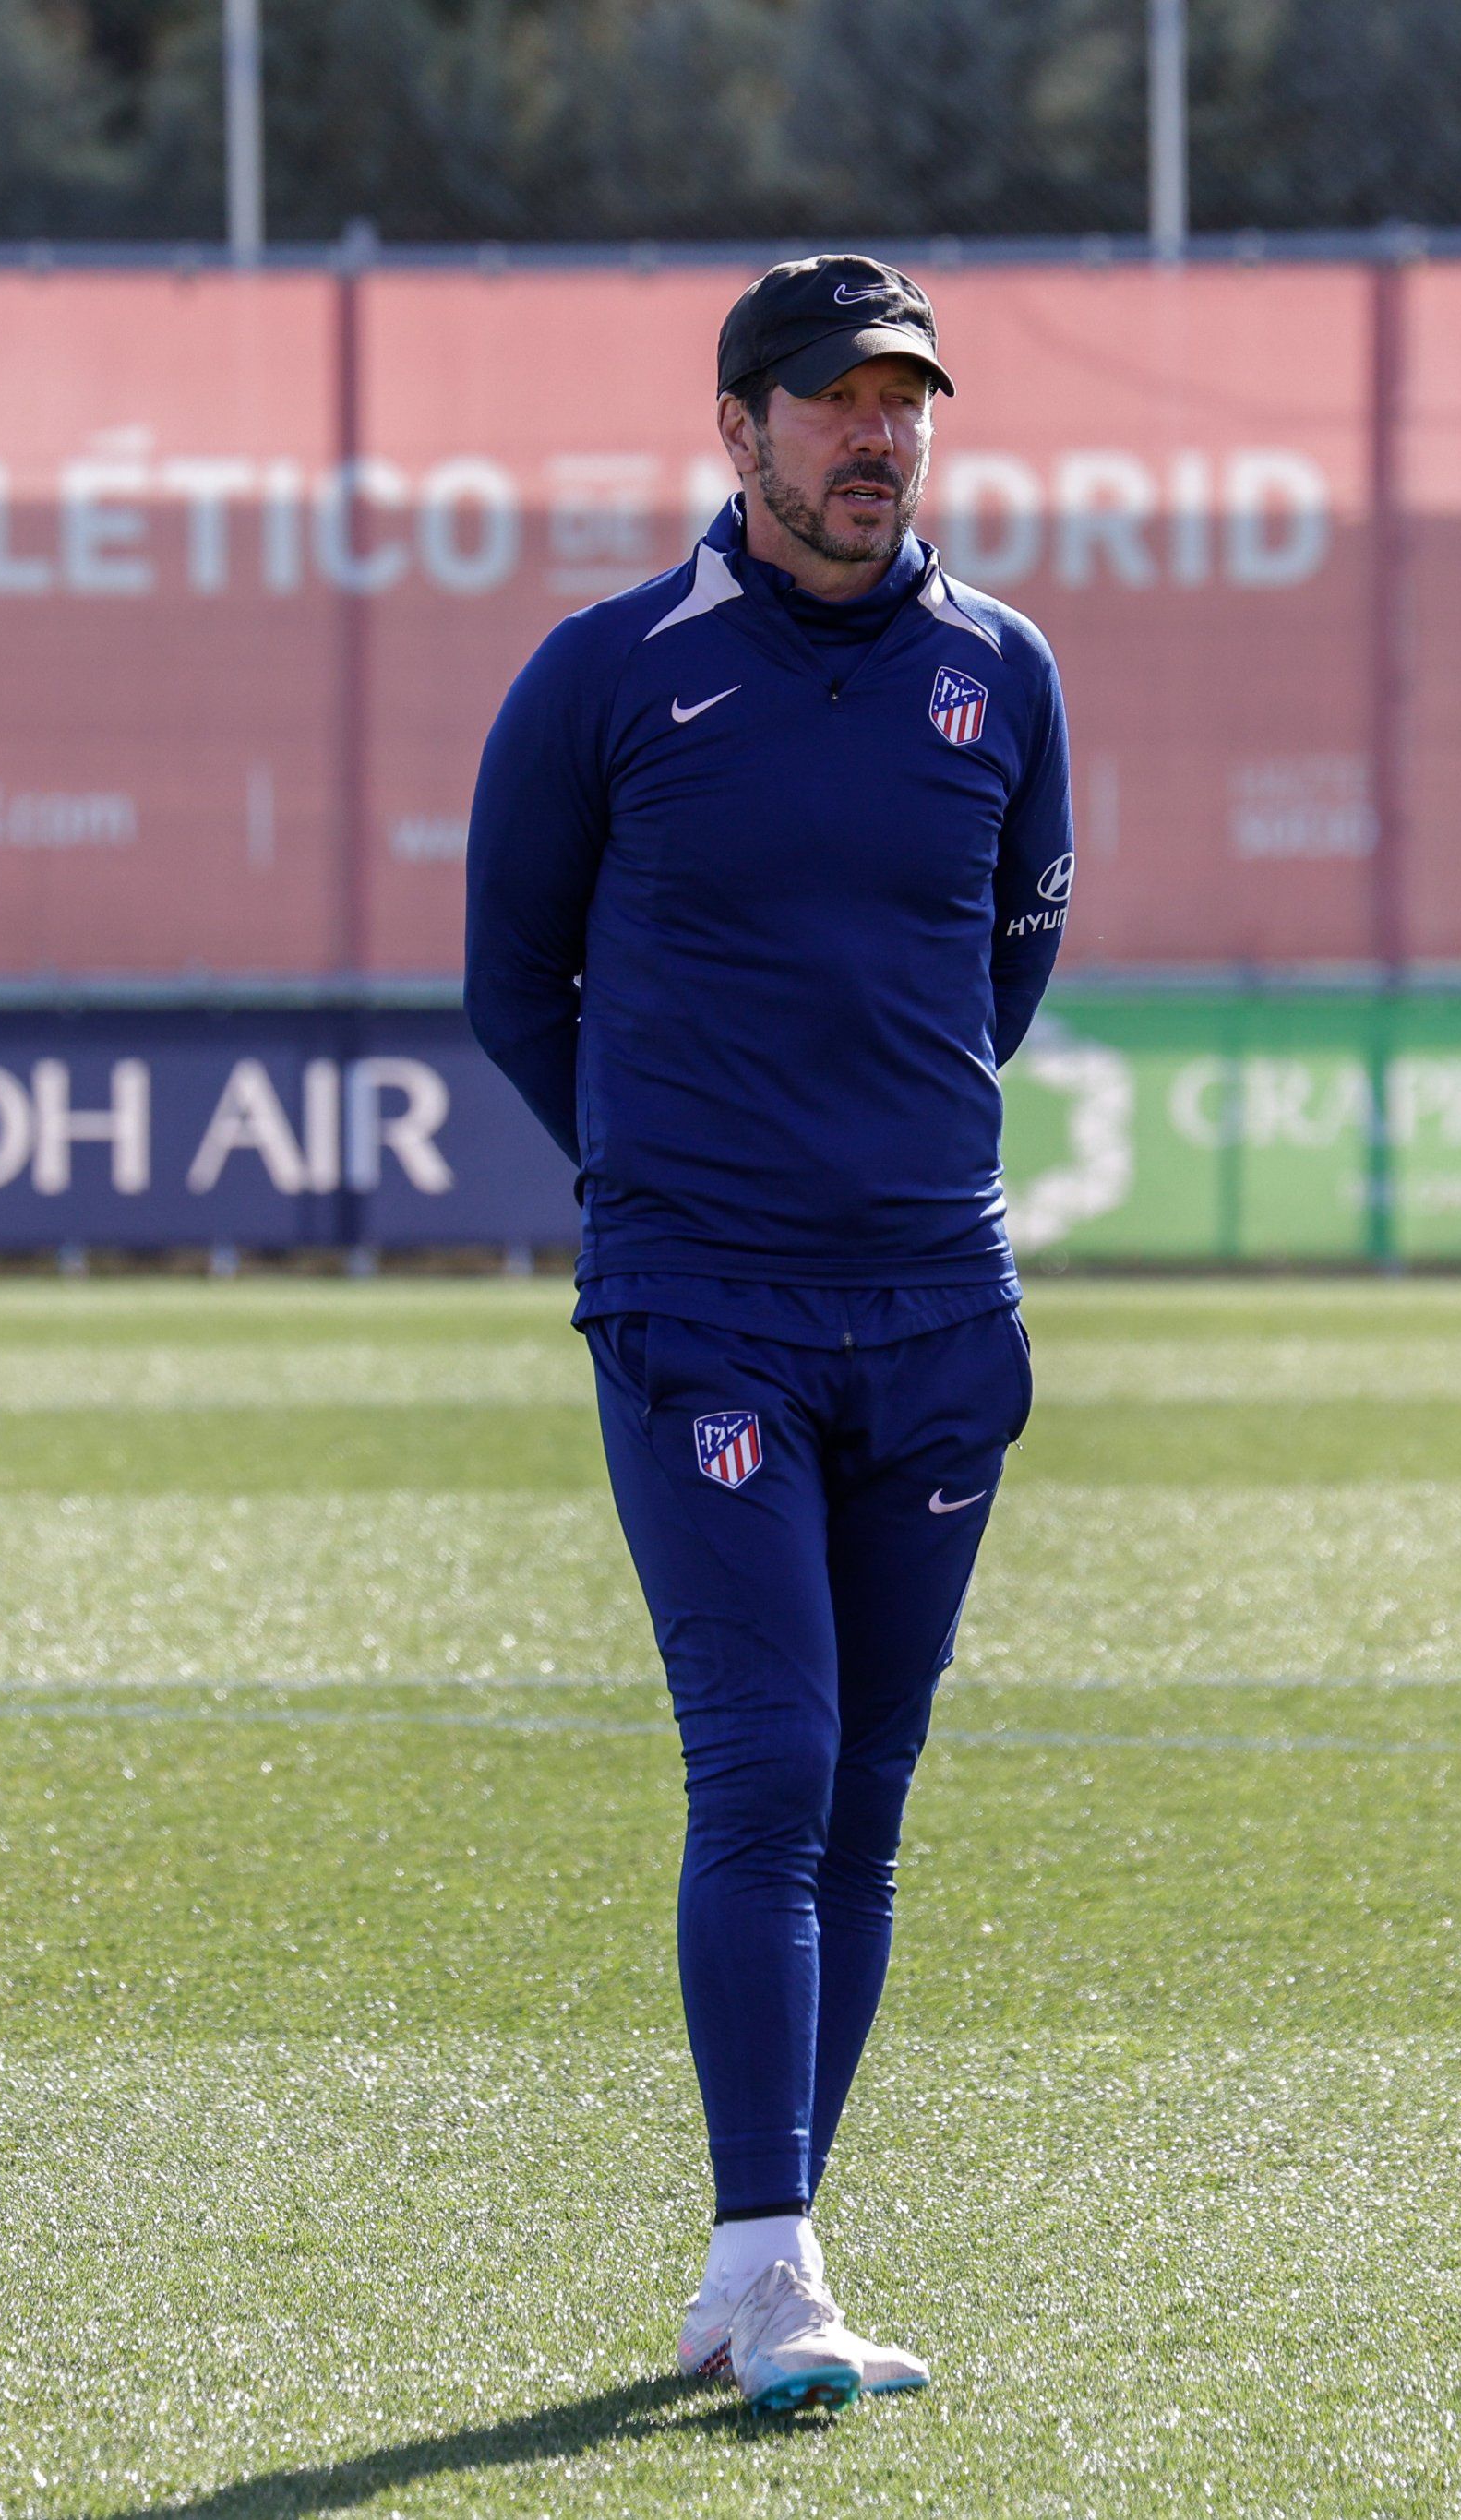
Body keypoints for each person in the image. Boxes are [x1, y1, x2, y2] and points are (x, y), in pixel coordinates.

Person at [463, 254, 1073, 2415]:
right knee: (771, 1759)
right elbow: (507, 977)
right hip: (699, 1307)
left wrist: (877, 1166)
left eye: (902, 399)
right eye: (828, 401)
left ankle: (760, 2256)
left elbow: (1006, 963)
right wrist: (663, 1182)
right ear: (734, 431)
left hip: (932, 1309)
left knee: (868, 1803)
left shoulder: (1000, 674)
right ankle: (770, 2261)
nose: (871, 435)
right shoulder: (609, 673)